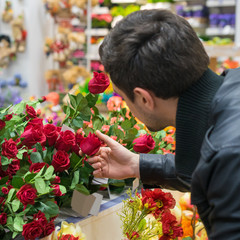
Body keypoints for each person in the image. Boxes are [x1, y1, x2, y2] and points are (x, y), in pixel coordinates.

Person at [87, 9, 240, 238]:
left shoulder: (229, 156)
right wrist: (137, 165)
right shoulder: (230, 91)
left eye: (124, 97)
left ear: (144, 99)